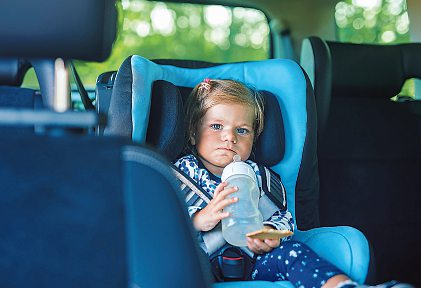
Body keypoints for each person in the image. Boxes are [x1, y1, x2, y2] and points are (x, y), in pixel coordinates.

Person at [174, 78, 410, 288]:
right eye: (217, 126)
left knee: (293, 252)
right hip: (199, 265)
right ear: (194, 133)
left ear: (254, 139)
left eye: (242, 130)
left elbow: (283, 218)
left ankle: (343, 285)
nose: (230, 137)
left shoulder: (259, 176)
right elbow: (160, 223)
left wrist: (270, 233)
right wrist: (198, 219)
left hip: (256, 263)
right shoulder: (178, 175)